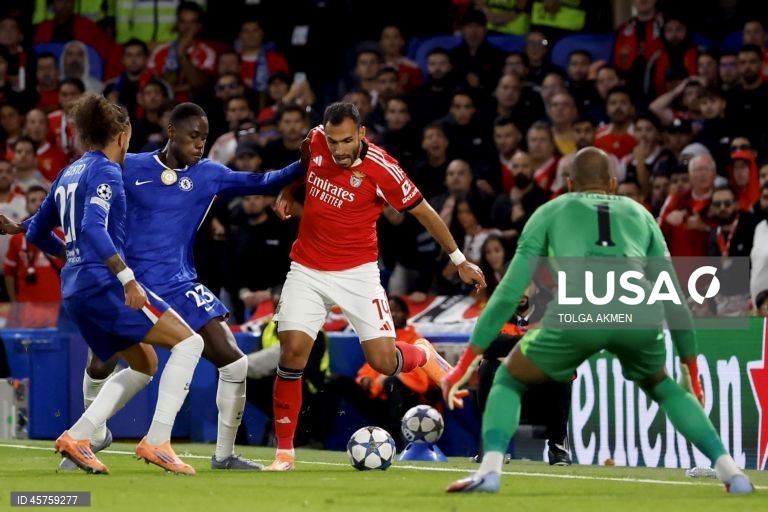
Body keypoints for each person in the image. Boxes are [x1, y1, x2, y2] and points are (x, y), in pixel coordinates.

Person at [441, 147, 754, 494]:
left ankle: (490, 471)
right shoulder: (641, 213)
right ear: (614, 183)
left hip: (582, 309)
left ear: (570, 184)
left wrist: (463, 366)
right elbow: (675, 300)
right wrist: (690, 368)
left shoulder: (552, 210)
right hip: (637, 312)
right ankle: (732, 473)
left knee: (508, 379)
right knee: (666, 388)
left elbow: (506, 294)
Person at [57, 102, 307, 471]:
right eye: (194, 136)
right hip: (133, 285)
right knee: (101, 361)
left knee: (234, 361)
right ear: (171, 131)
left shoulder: (209, 174)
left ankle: (223, 455)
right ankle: (91, 439)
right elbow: (83, 199)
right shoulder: (129, 165)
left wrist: (306, 163)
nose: (200, 145)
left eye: (205, 138)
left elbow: (264, 181)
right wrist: (30, 222)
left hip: (178, 283)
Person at [265, 101, 486, 471]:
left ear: (362, 134)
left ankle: (424, 354)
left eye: (347, 141)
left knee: (383, 362)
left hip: (358, 273)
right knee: (292, 354)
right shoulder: (315, 141)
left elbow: (424, 212)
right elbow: (304, 165)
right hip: (307, 267)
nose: (338, 149)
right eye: (333, 141)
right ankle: (285, 453)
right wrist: (289, 191)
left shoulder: (383, 169)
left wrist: (459, 260)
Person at [4, 94, 205, 475]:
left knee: (144, 363)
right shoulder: (108, 171)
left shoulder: (70, 171)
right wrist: (126, 278)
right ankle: (158, 441)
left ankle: (80, 436)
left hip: (76, 288)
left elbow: (37, 232)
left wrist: (71, 253)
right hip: (104, 283)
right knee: (189, 342)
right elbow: (95, 227)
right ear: (123, 135)